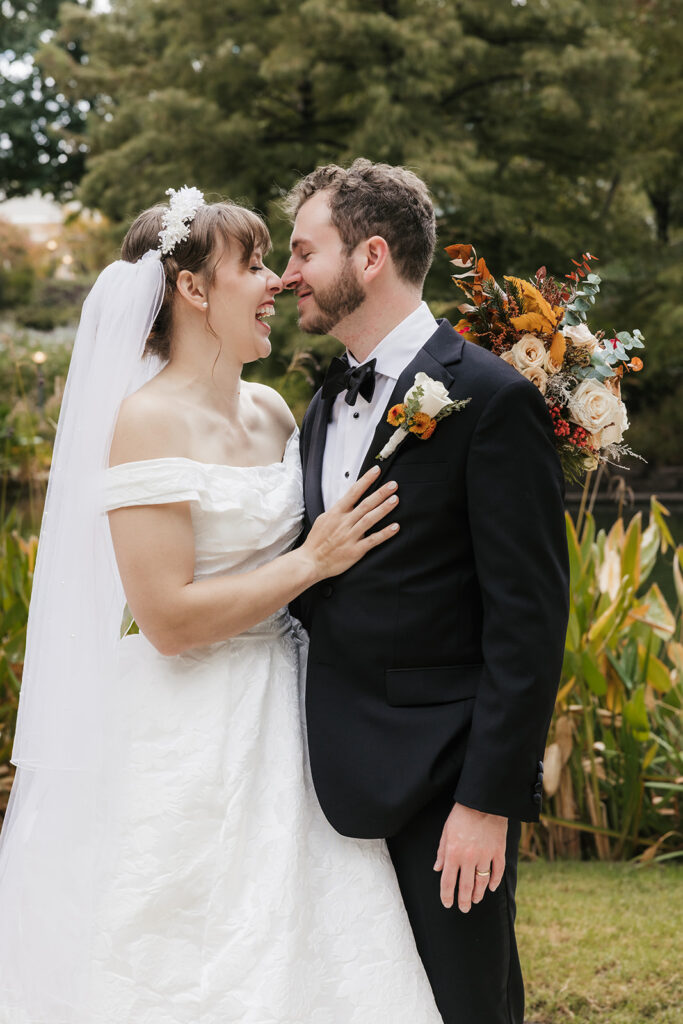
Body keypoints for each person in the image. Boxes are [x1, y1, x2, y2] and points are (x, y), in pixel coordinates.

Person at [0, 190, 443, 1023]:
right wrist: (310, 563)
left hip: (300, 712)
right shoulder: (143, 421)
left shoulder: (273, 410)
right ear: (194, 290)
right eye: (253, 264)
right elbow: (166, 619)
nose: (276, 282)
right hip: (188, 725)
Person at [282, 159, 570, 1024]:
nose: (288, 273)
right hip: (315, 773)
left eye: (304, 250)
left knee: (464, 1005)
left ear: (369, 257)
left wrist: (484, 802)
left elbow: (528, 621)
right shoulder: (321, 401)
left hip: (443, 780)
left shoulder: (491, 398)